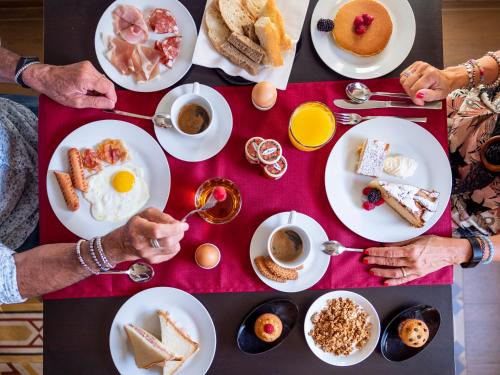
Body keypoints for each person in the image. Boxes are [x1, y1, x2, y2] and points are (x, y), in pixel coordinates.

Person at [0, 46, 188, 304]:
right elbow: (7, 279)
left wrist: (35, 73)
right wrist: (113, 249)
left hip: (24, 118)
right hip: (32, 237)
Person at [364, 50, 500, 286]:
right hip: (456, 115)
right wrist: (457, 76)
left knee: (375, 254)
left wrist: (457, 252)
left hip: (470, 209)